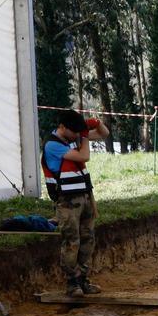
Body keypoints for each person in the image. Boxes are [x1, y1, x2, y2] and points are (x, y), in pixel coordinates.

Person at [41, 109, 109, 297]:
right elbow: (83, 156)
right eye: (75, 132)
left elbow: (104, 134)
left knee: (88, 238)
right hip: (67, 200)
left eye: (80, 132)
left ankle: (83, 280)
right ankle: (72, 282)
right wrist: (85, 136)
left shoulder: (70, 137)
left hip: (84, 196)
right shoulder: (53, 145)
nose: (78, 135)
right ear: (62, 127)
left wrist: (96, 123)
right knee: (72, 241)